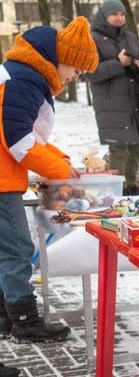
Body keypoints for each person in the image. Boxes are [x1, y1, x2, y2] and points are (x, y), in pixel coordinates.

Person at [0, 17, 98, 348]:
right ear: (62, 56)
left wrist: (61, 162)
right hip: (2, 180)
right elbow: (18, 140)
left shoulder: (25, 74)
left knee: (6, 248)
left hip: (5, 175)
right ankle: (25, 321)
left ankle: (6, 313)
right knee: (17, 248)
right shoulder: (25, 79)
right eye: (78, 69)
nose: (75, 77)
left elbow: (29, 136)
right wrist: (57, 170)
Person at [86, 0, 139, 196]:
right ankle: (116, 193)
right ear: (104, 16)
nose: (119, 18)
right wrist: (118, 63)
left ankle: (131, 188)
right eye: (114, 14)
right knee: (119, 150)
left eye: (122, 14)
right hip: (110, 104)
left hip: (134, 102)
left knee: (136, 147)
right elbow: (91, 72)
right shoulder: (93, 39)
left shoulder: (130, 37)